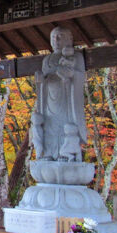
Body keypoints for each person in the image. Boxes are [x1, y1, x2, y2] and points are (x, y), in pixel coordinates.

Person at [33, 26, 87, 161]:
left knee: (66, 126)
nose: (56, 40)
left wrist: (71, 74)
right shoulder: (47, 59)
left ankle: (66, 154)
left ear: (70, 39)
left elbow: (80, 76)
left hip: (67, 98)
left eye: (60, 36)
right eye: (53, 37)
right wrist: (40, 79)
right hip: (49, 101)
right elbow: (44, 78)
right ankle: (48, 154)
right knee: (49, 126)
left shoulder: (76, 57)